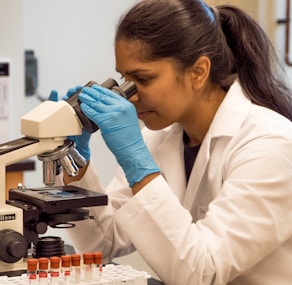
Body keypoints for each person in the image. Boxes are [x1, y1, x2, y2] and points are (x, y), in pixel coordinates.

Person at [52, 0, 292, 284]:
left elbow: (203, 272)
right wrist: (75, 163)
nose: (127, 95)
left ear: (199, 72)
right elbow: (104, 243)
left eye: (142, 78)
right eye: (123, 78)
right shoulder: (160, 136)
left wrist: (137, 164)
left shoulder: (270, 145)